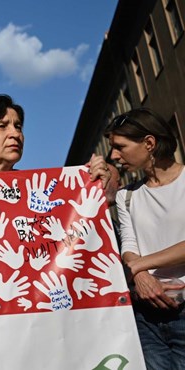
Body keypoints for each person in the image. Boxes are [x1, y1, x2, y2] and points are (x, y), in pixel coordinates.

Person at [96, 108, 185, 370]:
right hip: (146, 317)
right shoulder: (127, 196)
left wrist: (136, 268)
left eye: (120, 147)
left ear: (149, 143)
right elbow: (129, 245)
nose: (113, 156)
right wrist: (141, 275)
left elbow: (134, 260)